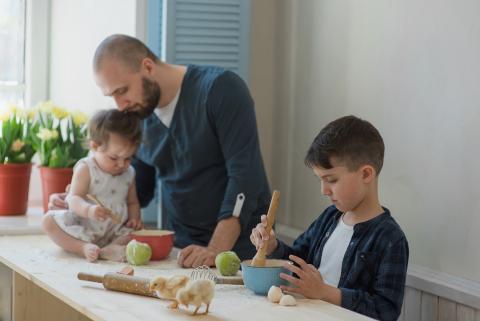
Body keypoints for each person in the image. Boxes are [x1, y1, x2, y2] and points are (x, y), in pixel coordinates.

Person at [49, 34, 271, 267]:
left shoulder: (221, 90)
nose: (120, 105)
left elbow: (245, 177)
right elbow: (135, 188)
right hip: (181, 250)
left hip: (242, 249)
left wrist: (215, 250)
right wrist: (79, 197)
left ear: (147, 66)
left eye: (122, 91)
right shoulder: (138, 117)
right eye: (112, 96)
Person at [250, 115, 409, 321]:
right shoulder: (329, 218)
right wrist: (272, 246)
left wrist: (325, 292)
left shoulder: (390, 238)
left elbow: (385, 311)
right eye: (320, 180)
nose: (324, 190)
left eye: (331, 180)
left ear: (366, 174)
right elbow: (298, 260)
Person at [43, 109, 143, 262]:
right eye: (114, 157)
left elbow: (132, 202)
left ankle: (108, 250)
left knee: (139, 233)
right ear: (95, 146)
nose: (122, 164)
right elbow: (73, 197)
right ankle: (81, 247)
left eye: (129, 157)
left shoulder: (129, 173)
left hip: (114, 231)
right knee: (49, 222)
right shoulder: (86, 168)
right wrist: (88, 210)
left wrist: (135, 219)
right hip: (84, 226)